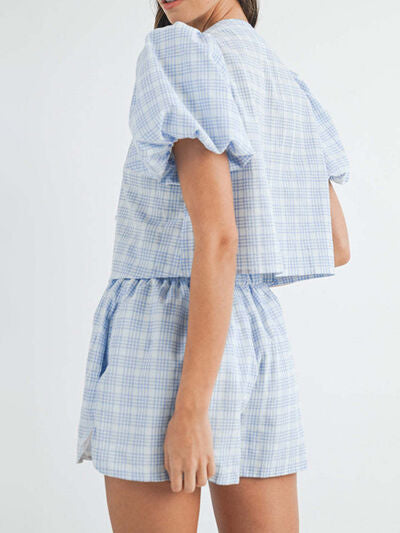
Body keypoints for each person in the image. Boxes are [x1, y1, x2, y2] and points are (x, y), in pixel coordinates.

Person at [76, 0, 350, 531]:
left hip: (166, 338)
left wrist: (192, 408)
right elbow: (335, 243)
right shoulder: (282, 83)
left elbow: (219, 237)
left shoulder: (182, 54)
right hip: (254, 334)